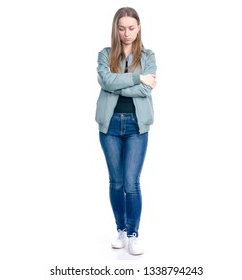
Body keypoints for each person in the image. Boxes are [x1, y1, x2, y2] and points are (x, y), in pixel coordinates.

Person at [95, 7, 157, 255]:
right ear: (115, 29)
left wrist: (118, 83)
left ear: (138, 27)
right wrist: (137, 78)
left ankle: (133, 233)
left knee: (131, 183)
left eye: (131, 28)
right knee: (116, 181)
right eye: (121, 28)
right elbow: (105, 81)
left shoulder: (148, 56)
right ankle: (120, 229)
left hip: (136, 126)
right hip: (109, 126)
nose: (126, 33)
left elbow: (146, 90)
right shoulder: (105, 54)